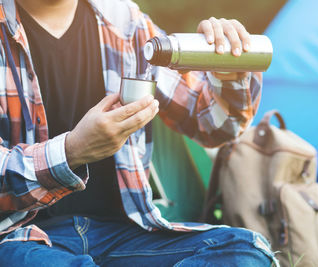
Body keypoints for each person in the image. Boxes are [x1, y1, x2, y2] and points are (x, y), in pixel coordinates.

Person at [0, 0, 277, 266]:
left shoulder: (124, 22)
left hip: (126, 236)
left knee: (244, 252)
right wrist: (71, 151)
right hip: (22, 239)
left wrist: (227, 68)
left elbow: (214, 127)